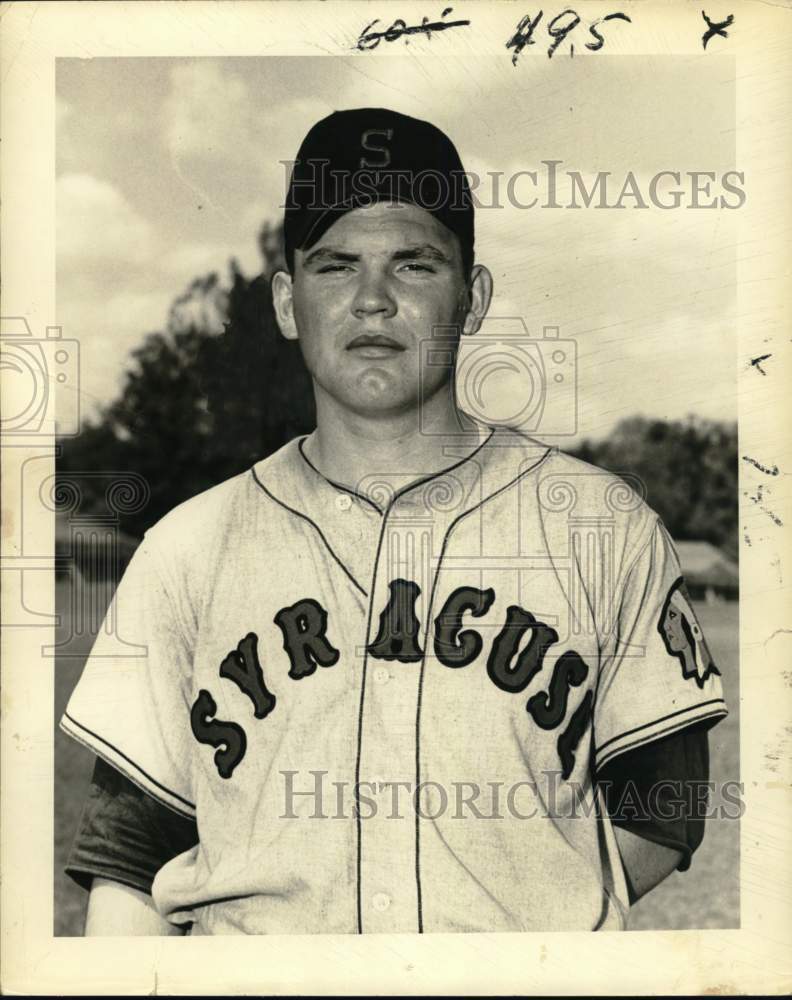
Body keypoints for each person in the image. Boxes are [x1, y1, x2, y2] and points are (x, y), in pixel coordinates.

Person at [61, 108, 728, 936]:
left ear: (472, 297)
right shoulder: (188, 548)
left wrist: (521, 923)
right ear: (287, 302)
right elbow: (130, 856)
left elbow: (664, 807)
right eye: (336, 266)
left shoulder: (602, 525)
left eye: (414, 265)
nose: (373, 301)